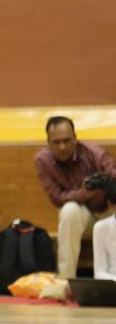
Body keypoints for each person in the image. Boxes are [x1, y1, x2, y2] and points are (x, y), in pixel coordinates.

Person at [33, 116, 116, 278]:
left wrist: (106, 183)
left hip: (109, 211)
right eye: (56, 142)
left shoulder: (95, 153)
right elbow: (57, 199)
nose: (62, 147)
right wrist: (84, 193)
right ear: (48, 142)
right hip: (83, 216)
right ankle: (66, 280)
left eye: (67, 140)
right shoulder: (42, 161)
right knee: (68, 211)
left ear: (76, 138)